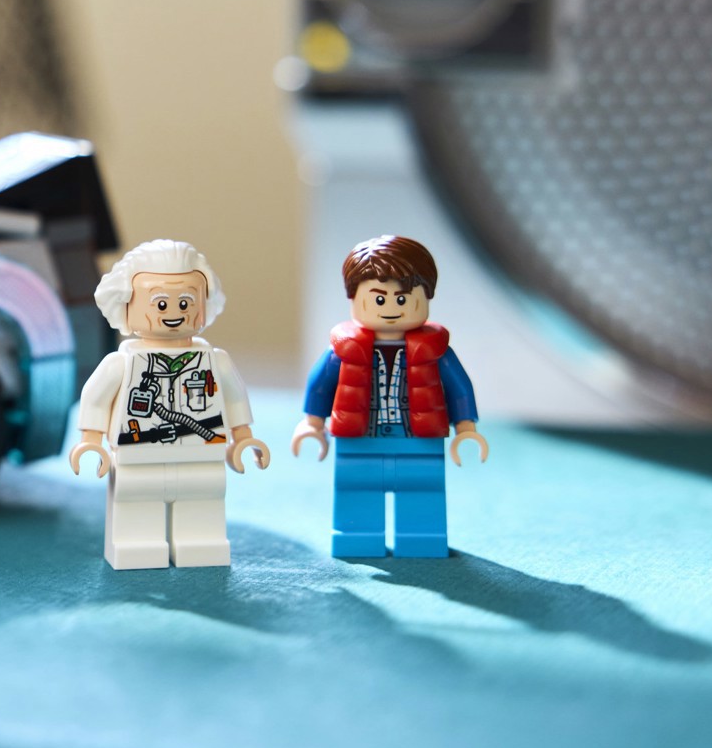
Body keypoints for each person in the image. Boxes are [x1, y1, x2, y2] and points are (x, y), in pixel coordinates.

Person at [71, 240, 269, 569]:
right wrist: (90, 441)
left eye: (186, 301)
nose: (175, 313)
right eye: (161, 303)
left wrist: (243, 437)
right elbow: (96, 397)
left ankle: (199, 544)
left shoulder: (214, 360)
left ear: (204, 302)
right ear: (126, 303)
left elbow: (234, 396)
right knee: (137, 506)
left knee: (202, 505)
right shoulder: (122, 363)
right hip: (138, 456)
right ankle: (137, 546)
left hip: (202, 455)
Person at [291, 235, 487, 558]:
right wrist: (312, 424)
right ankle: (357, 538)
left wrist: (466, 428)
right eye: (379, 299)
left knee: (422, 492)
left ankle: (422, 538)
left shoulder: (435, 351)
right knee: (357, 491)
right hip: (360, 439)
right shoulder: (343, 351)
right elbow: (320, 383)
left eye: (404, 298)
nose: (392, 309)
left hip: (419, 439)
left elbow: (459, 386)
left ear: (426, 297)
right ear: (354, 298)